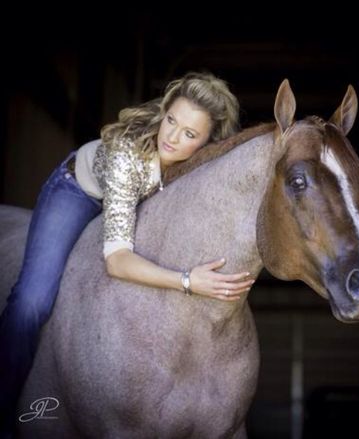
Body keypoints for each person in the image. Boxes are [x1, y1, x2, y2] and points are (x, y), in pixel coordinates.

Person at [0, 72, 255, 434]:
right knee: (32, 300)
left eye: (189, 134)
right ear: (164, 110)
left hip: (135, 200)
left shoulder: (196, 170)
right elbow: (117, 262)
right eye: (171, 121)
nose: (171, 137)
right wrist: (187, 281)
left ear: (205, 143)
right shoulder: (128, 156)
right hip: (80, 192)